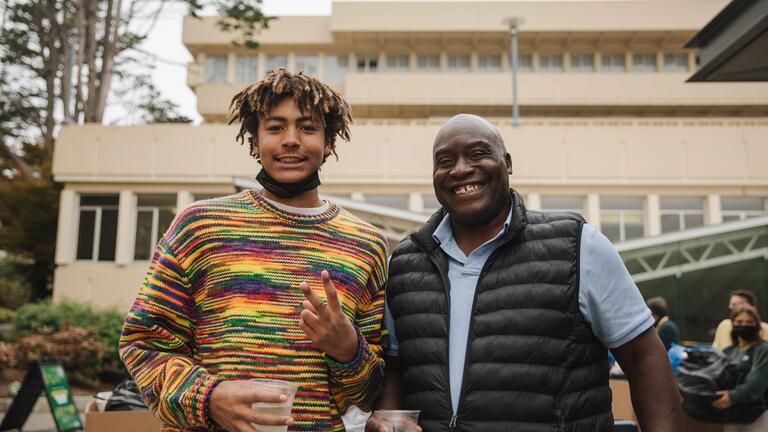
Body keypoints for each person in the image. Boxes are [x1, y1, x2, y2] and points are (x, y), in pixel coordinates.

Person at [369, 114, 681, 432]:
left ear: (507, 163)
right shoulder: (404, 263)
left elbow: (645, 359)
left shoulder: (578, 245)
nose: (460, 169)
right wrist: (389, 418)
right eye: (445, 160)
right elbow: (395, 369)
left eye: (478, 154)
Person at [119, 69, 388, 432]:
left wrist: (348, 349)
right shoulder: (200, 226)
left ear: (328, 143)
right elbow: (144, 343)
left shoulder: (366, 245)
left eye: (307, 128)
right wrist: (208, 397)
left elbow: (369, 394)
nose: (291, 140)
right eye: (275, 128)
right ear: (254, 141)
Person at [712, 304, 768, 431]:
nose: (744, 325)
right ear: (733, 324)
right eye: (739, 322)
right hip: (731, 415)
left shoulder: (763, 350)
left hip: (757, 415)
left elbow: (756, 385)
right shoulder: (728, 351)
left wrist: (732, 396)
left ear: (756, 325)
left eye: (749, 322)